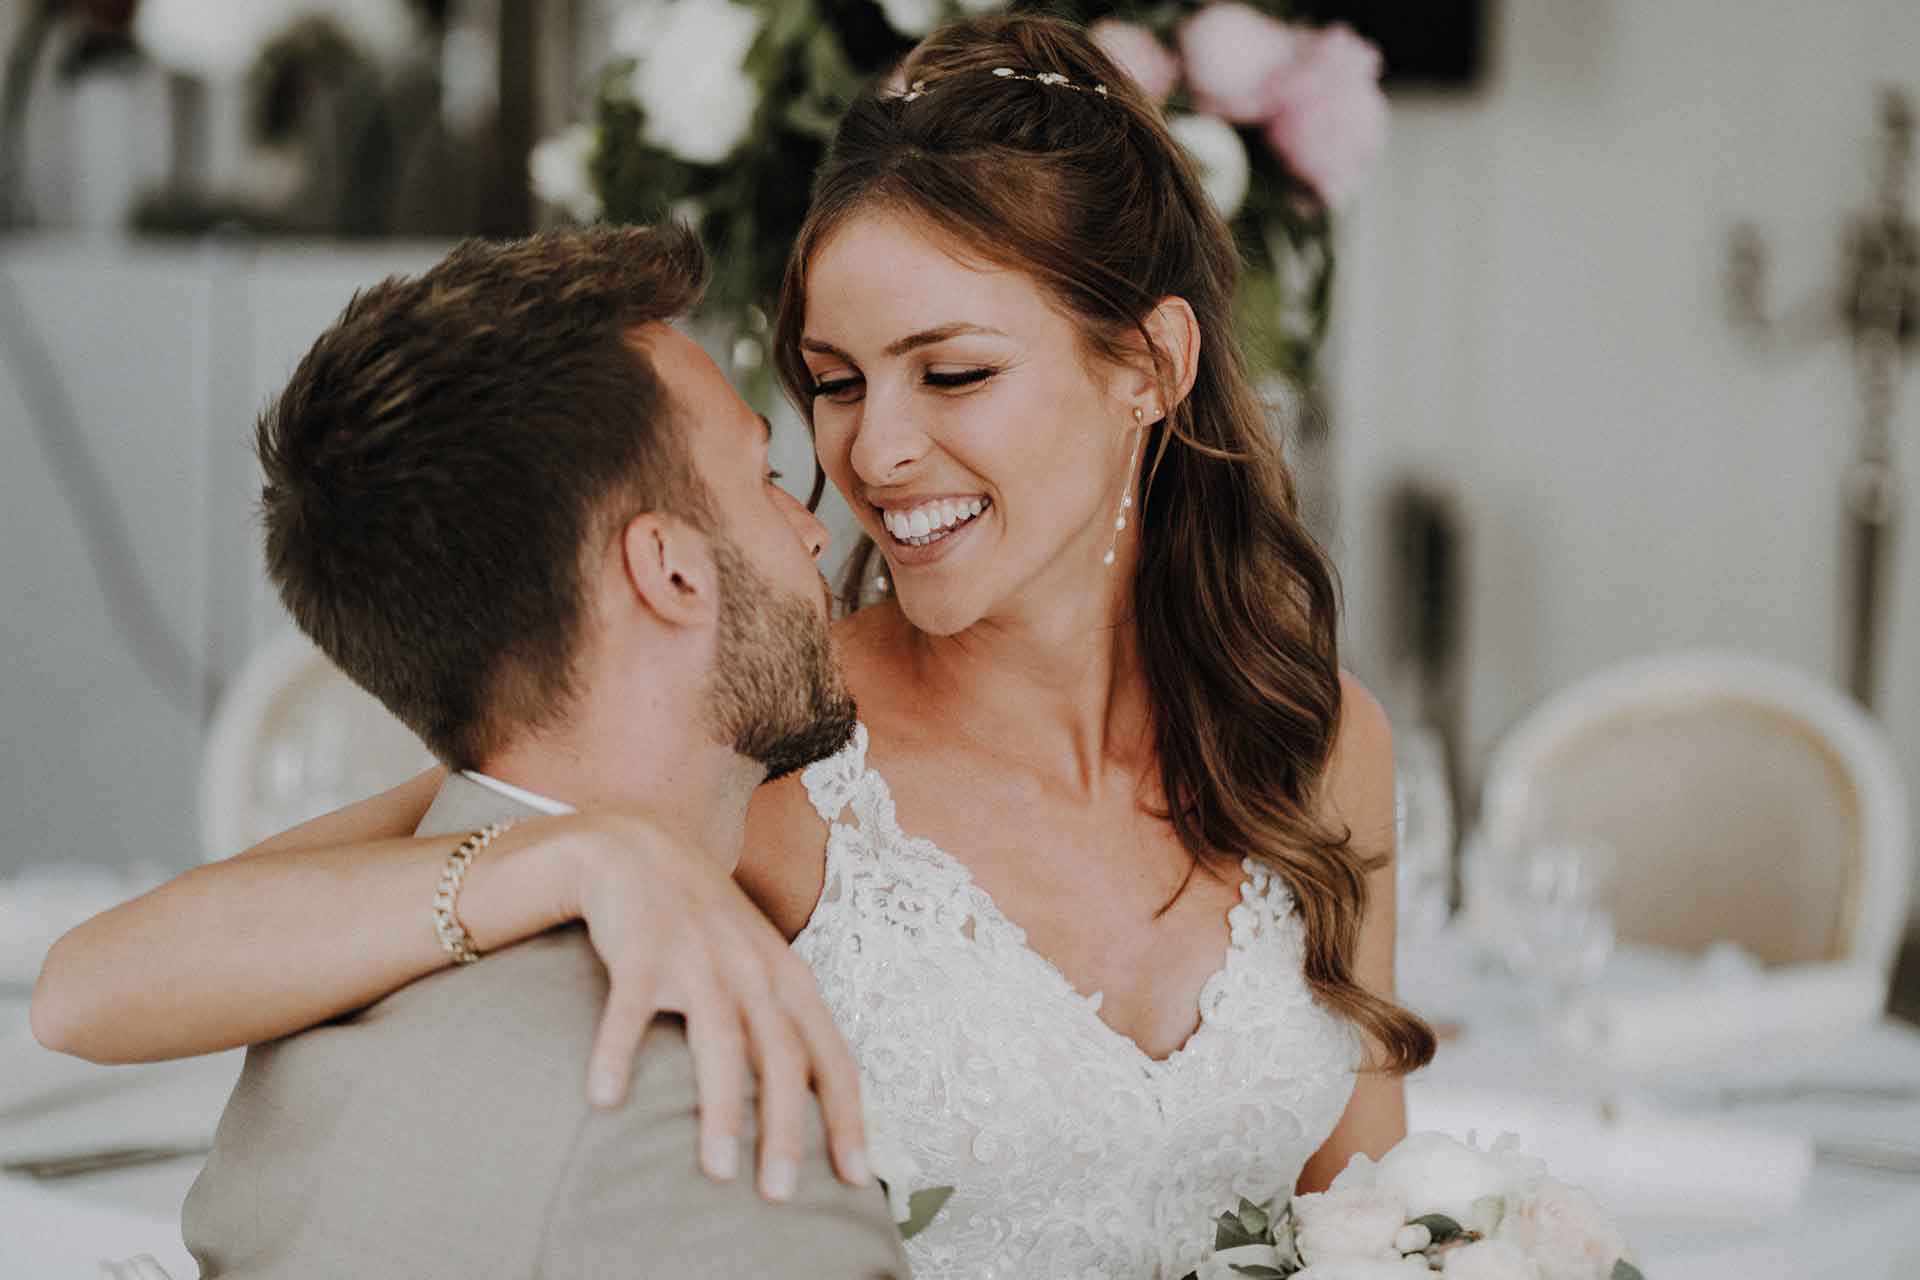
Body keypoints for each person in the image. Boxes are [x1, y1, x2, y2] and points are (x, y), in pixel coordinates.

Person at [36, 15, 1434, 1278]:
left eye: (953, 373)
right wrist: (572, 855)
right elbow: (98, 987)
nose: (874, 451)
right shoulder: (776, 753)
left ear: (1149, 366)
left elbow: (1358, 1214)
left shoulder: (1317, 742)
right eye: (833, 383)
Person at [116, 224, 908, 1278]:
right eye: (764, 475)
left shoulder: (314, 999)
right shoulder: (700, 1108)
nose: (813, 530)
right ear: (669, 571)